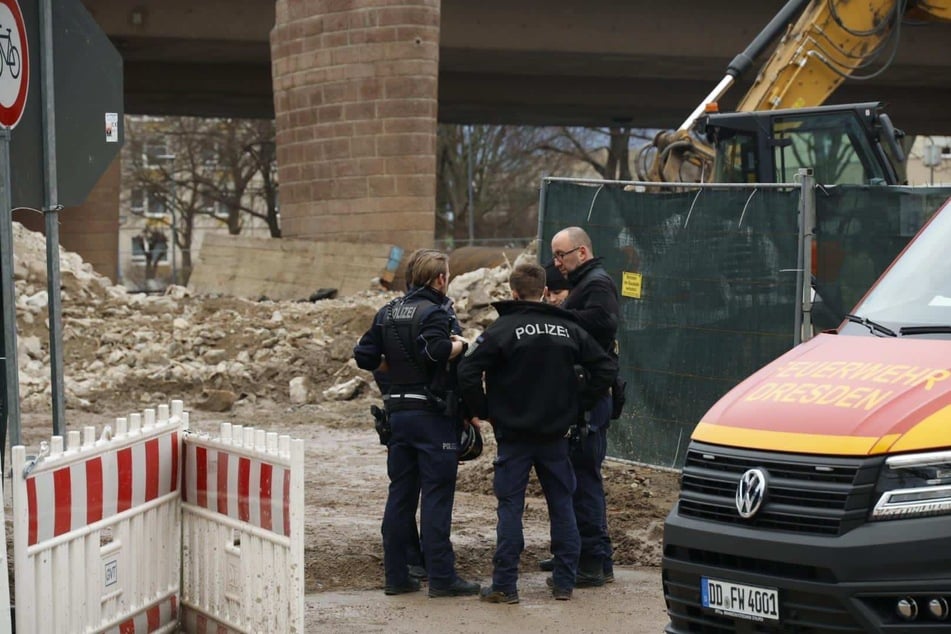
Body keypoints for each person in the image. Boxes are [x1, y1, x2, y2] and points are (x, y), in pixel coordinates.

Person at [458, 262, 617, 603]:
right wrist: (577, 406)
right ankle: (564, 583)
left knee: (511, 507)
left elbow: (468, 369)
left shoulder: (502, 329)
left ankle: (505, 585)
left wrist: (485, 411)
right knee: (562, 505)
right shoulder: (567, 329)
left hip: (514, 438)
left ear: (513, 293)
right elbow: (605, 368)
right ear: (545, 291)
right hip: (556, 436)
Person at [353, 249, 480, 598]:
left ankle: (397, 576)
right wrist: (462, 344)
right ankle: (441, 578)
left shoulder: (388, 311)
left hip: (398, 416)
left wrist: (391, 372)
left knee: (401, 497)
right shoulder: (436, 312)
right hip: (433, 417)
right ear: (440, 279)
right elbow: (436, 352)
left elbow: (364, 355)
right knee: (437, 497)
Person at [546, 226, 620, 588]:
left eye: (561, 255)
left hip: (590, 399)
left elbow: (603, 325)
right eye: (555, 255)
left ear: (582, 252)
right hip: (583, 396)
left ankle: (591, 561)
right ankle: (580, 552)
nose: (556, 262)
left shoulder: (597, 284)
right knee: (575, 478)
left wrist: (559, 315)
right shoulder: (585, 283)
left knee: (584, 480)